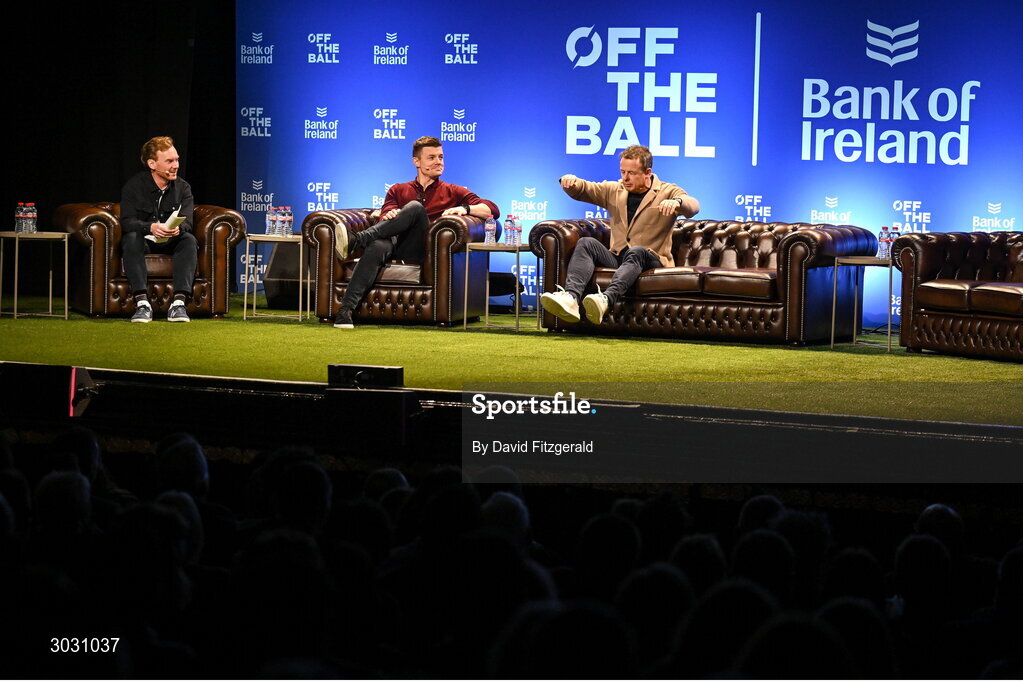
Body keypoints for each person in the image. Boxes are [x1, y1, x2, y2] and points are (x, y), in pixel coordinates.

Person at [332, 136, 499, 329]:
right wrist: (389, 214)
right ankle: (345, 312)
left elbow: (492, 209)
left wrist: (465, 209)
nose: (438, 162)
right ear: (416, 162)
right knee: (377, 245)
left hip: (424, 250)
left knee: (415, 208)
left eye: (441, 157)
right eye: (432, 157)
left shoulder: (453, 191)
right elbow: (386, 214)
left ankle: (357, 239)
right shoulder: (398, 189)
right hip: (395, 245)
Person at [541, 145, 699, 325]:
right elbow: (584, 189)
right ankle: (571, 298)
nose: (625, 178)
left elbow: (693, 205)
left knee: (636, 251)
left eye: (631, 173)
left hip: (651, 260)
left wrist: (677, 202)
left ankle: (606, 299)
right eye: (623, 172)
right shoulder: (614, 190)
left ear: (647, 172)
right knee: (586, 243)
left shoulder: (667, 191)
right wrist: (570, 181)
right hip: (619, 258)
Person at [120, 136, 196, 323]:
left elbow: (188, 222)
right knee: (131, 237)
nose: (176, 165)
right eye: (169, 161)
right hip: (145, 242)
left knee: (189, 240)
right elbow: (127, 221)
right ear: (152, 164)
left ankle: (178, 303)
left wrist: (178, 229)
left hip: (171, 241)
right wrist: (150, 227)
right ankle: (142, 303)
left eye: (177, 160)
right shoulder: (134, 186)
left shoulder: (183, 188)